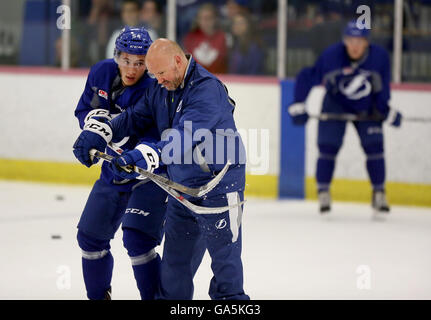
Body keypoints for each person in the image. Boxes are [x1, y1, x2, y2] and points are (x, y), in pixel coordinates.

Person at [73, 38, 249, 300]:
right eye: (153, 75)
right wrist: (101, 131)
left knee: (226, 273)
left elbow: (183, 136)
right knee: (173, 277)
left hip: (219, 190)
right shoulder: (161, 88)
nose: (158, 80)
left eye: (161, 73)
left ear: (178, 61)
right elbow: (134, 118)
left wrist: (145, 156)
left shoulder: (207, 90)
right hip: (182, 191)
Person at [72, 27, 167, 300]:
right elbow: (86, 109)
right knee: (89, 238)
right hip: (112, 172)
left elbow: (161, 135)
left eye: (139, 62)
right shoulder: (101, 72)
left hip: (148, 177)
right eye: (126, 60)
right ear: (116, 56)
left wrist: (141, 154)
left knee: (138, 242)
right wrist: (93, 129)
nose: (132, 68)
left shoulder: (156, 87)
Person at [288, 21, 402, 215]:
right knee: (327, 146)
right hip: (335, 104)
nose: (355, 45)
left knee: (374, 146)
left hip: (367, 106)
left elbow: (382, 87)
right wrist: (299, 102)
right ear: (344, 41)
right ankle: (323, 191)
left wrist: (384, 109)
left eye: (360, 41)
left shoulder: (379, 57)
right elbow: (309, 75)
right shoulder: (332, 55)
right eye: (350, 40)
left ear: (367, 43)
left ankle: (379, 192)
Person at [183, 2, 228, 74]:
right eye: (202, 18)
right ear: (197, 20)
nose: (205, 21)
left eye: (208, 18)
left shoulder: (223, 37)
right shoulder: (190, 38)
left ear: (215, 19)